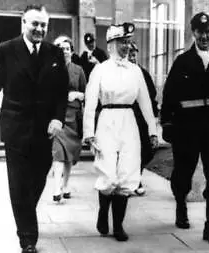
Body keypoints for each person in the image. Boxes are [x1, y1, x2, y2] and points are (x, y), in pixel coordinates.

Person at [0, 4, 69, 253]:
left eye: (44, 25)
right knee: (18, 183)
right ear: (23, 23)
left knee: (38, 177)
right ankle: (27, 239)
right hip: (16, 128)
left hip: (44, 129)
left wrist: (58, 118)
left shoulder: (54, 53)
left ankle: (26, 214)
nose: (39, 29)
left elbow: (61, 92)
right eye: (35, 24)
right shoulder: (5, 51)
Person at [161, 12, 209, 246]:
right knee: (183, 173)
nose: (204, 35)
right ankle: (181, 205)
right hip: (186, 129)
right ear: (193, 33)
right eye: (200, 31)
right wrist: (167, 123)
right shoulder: (182, 62)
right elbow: (169, 95)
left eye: (208, 30)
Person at [83, 22, 158, 242]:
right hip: (107, 120)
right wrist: (89, 133)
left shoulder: (135, 71)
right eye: (122, 42)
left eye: (128, 42)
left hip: (129, 122)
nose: (126, 47)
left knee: (127, 171)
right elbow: (89, 104)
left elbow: (145, 103)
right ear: (111, 44)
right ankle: (102, 213)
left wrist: (152, 131)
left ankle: (118, 226)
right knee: (108, 171)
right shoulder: (100, 69)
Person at [51, 35, 87, 202]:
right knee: (58, 153)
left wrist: (78, 95)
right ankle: (56, 188)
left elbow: (86, 93)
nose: (64, 51)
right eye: (61, 48)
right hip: (57, 117)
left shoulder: (78, 70)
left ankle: (65, 186)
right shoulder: (51, 68)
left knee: (69, 155)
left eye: (67, 48)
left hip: (74, 118)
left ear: (71, 51)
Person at [127, 41, 159, 196]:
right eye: (129, 54)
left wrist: (153, 117)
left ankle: (136, 175)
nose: (132, 57)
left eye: (134, 54)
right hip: (126, 118)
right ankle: (133, 181)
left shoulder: (143, 73)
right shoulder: (122, 73)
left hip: (142, 119)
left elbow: (152, 97)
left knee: (146, 151)